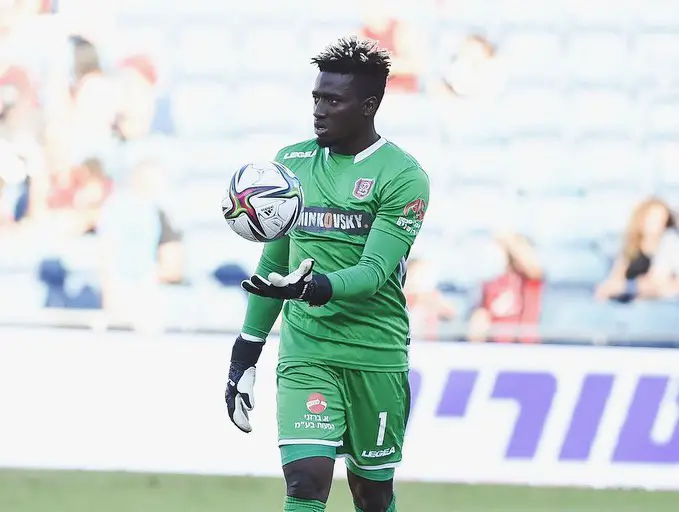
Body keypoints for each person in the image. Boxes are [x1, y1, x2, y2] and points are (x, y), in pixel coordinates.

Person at [225, 36, 430, 512]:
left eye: (333, 101)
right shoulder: (289, 165)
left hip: (374, 355)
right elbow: (274, 267)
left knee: (372, 495)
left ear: (368, 106)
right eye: (316, 98)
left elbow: (374, 273)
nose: (319, 111)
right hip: (307, 354)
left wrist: (314, 287)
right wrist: (244, 354)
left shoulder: (403, 176)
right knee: (305, 481)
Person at [595, 197, 678, 302]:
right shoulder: (631, 245)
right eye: (653, 217)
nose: (658, 223)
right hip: (627, 302)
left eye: (661, 219)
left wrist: (626, 286)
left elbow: (658, 282)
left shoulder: (669, 244)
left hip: (652, 302)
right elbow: (615, 278)